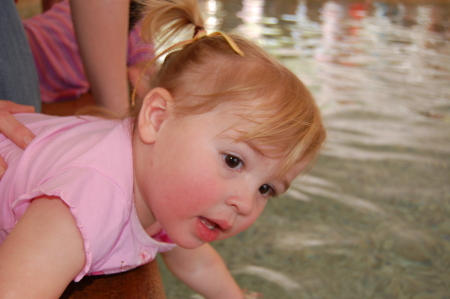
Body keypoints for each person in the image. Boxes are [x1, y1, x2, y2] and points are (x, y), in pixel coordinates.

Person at [0, 0, 326, 298]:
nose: (245, 203)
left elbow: (197, 264)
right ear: (157, 119)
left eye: (266, 188)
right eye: (233, 161)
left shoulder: (168, 192)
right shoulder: (87, 203)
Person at [22, 0, 155, 109]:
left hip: (24, 37)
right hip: (34, 67)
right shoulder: (139, 24)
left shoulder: (68, 7)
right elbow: (142, 75)